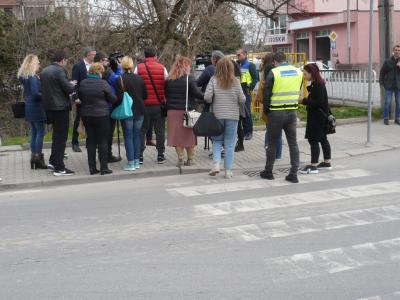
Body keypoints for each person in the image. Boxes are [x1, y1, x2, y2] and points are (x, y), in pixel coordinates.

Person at [260, 52, 303, 183]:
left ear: (275, 61)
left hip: (276, 112)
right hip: (292, 111)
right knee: (293, 143)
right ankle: (294, 173)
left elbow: (267, 95)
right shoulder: (298, 72)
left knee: (272, 142)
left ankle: (269, 171)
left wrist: (266, 112)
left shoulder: (274, 72)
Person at [204, 58, 246, 179]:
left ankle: (216, 164)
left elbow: (207, 97)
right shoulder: (236, 81)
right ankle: (228, 171)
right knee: (229, 143)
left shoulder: (213, 80)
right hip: (232, 116)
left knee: (217, 141)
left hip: (217, 115)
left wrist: (213, 100)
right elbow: (242, 99)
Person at [41, 50, 76, 176]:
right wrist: (72, 85)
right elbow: (68, 88)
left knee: (56, 136)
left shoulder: (44, 71)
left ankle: (52, 161)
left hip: (49, 108)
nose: (66, 63)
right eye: (66, 61)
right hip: (60, 108)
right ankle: (59, 168)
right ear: (62, 60)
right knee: (61, 138)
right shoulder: (59, 70)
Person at [165, 56, 204, 167]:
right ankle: (190, 159)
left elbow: (167, 95)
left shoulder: (168, 80)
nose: (190, 68)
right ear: (185, 66)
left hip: (172, 112)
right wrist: (207, 96)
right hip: (187, 112)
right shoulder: (189, 79)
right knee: (189, 136)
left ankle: (180, 158)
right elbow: (197, 93)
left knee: (177, 137)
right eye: (188, 66)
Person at [78, 63, 117, 175]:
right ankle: (104, 168)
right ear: (99, 72)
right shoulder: (103, 83)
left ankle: (92, 168)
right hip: (101, 115)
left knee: (90, 141)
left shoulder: (83, 83)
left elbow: (80, 97)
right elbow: (113, 99)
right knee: (102, 141)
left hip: (86, 115)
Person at [135, 47, 168, 164]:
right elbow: (167, 84)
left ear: (145, 56)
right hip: (158, 105)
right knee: (160, 131)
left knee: (141, 131)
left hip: (143, 105)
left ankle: (139, 156)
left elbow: (135, 84)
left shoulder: (138, 68)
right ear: (155, 56)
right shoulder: (162, 68)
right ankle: (160, 155)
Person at [299, 63, 332, 174]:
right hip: (320, 116)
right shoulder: (316, 83)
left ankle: (313, 166)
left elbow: (318, 102)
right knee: (322, 138)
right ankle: (327, 162)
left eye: (305, 74)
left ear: (311, 73)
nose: (304, 76)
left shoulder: (319, 85)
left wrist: (303, 101)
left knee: (313, 139)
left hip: (317, 117)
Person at [116, 56, 148, 171]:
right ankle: (136, 160)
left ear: (122, 66)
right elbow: (145, 95)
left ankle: (131, 163)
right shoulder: (140, 79)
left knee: (128, 136)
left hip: (127, 111)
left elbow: (119, 98)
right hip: (140, 111)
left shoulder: (120, 79)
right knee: (137, 136)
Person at [17, 54, 47, 170]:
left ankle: (33, 157)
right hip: (37, 107)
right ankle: (37, 157)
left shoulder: (24, 76)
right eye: (38, 62)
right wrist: (46, 95)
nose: (39, 64)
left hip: (29, 106)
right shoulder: (33, 78)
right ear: (33, 63)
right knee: (40, 132)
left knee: (34, 132)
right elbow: (36, 94)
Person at [71, 46, 96, 152]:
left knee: (92, 120)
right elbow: (74, 83)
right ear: (87, 55)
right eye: (92, 55)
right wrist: (75, 97)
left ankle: (89, 142)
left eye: (94, 54)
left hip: (93, 97)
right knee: (79, 119)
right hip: (81, 98)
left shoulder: (95, 65)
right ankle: (74, 142)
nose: (94, 56)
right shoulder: (78, 66)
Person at [259, 53, 283, 159]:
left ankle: (270, 153)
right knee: (277, 132)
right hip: (277, 103)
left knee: (269, 130)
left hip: (268, 103)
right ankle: (277, 155)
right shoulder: (272, 70)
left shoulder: (264, 69)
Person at [236, 48, 258, 141]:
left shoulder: (250, 65)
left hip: (246, 92)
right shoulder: (236, 65)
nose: (237, 56)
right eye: (237, 55)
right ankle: (241, 132)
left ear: (244, 55)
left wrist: (250, 88)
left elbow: (255, 78)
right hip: (237, 91)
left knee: (246, 113)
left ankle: (248, 132)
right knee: (239, 114)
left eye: (239, 55)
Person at [106, 52, 124, 163]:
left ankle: (105, 153)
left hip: (104, 106)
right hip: (109, 107)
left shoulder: (101, 72)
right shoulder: (108, 74)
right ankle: (107, 154)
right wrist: (119, 67)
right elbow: (119, 79)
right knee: (108, 132)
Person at [379, 44, 400, 125]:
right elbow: (382, 72)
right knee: (387, 102)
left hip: (398, 86)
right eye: (396, 50)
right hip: (389, 85)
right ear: (393, 51)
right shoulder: (387, 61)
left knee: (399, 102)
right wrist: (381, 83)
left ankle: (397, 118)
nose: (397, 52)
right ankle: (386, 118)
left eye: (399, 50)